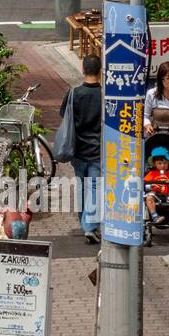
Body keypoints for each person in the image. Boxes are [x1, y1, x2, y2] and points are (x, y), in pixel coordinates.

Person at [59, 53, 103, 244]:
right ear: (100, 71)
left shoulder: (73, 93)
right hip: (97, 149)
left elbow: (64, 114)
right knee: (94, 187)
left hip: (77, 148)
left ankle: (86, 223)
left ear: (83, 69)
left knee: (81, 187)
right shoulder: (104, 95)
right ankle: (89, 226)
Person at [143, 145, 169, 228]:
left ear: (168, 162)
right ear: (155, 164)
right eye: (159, 163)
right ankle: (154, 217)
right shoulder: (152, 173)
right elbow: (145, 185)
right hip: (156, 194)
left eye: (165, 163)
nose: (163, 165)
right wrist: (152, 186)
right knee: (149, 198)